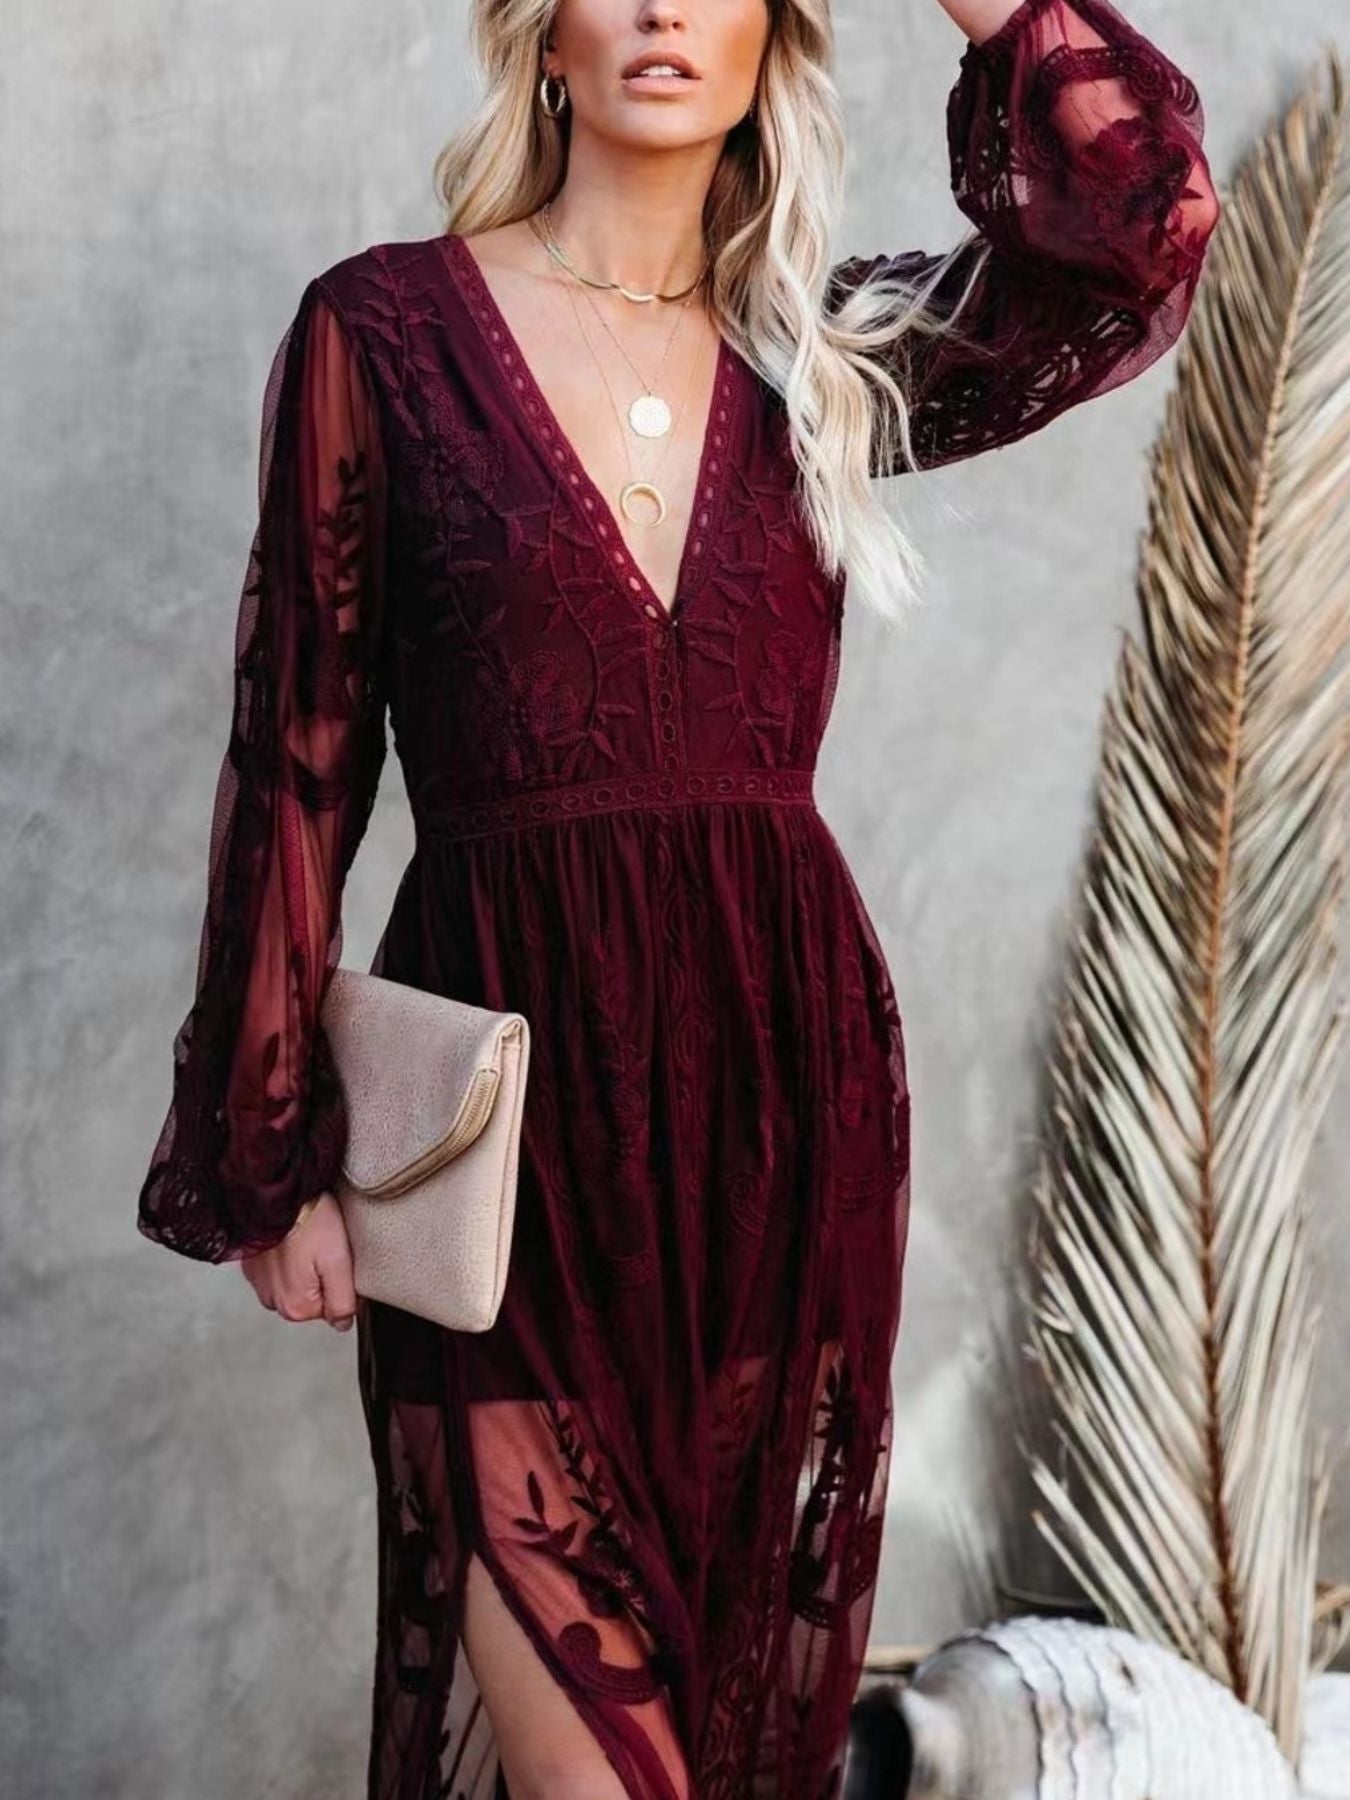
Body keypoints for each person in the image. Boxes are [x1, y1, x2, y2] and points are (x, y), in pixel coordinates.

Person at [135, 1, 1219, 1795]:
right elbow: (300, 748)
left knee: (729, 1741)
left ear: (772, 36)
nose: (659, 6)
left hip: (776, 1111)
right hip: (509, 1141)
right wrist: (271, 1145)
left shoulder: (828, 350)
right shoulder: (384, 332)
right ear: (541, 36)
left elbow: (1151, 219)